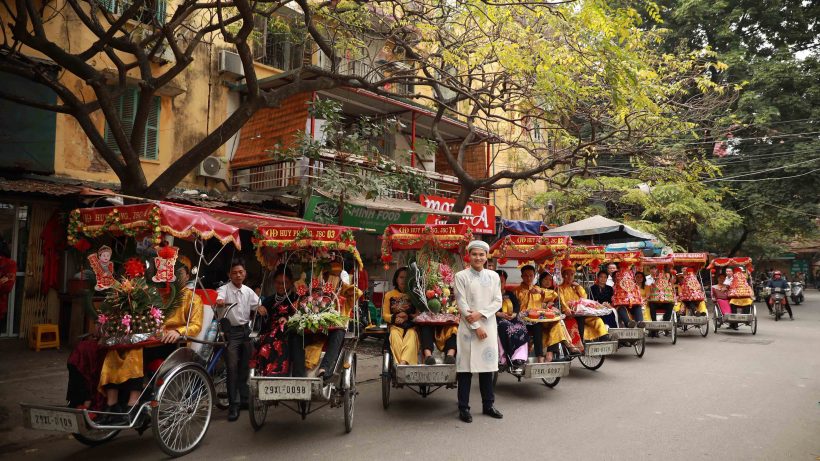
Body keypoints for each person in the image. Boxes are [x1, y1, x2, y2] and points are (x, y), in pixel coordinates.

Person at [97, 265, 204, 424]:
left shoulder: (193, 298)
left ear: (187, 277)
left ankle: (132, 404)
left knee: (135, 352)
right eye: (172, 273)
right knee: (115, 351)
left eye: (179, 274)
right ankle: (112, 404)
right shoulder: (156, 295)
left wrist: (179, 331)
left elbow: (196, 325)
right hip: (149, 339)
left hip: (173, 343)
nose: (174, 277)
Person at [454, 240, 503, 423]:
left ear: (486, 256)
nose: (478, 257)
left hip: (489, 325)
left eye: (481, 254)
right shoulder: (461, 276)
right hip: (468, 328)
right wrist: (476, 325)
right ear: (469, 255)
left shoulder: (493, 277)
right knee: (465, 370)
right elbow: (461, 303)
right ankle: (463, 407)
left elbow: (497, 301)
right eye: (474, 254)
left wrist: (481, 314)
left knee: (487, 369)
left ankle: (488, 405)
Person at [216, 261, 262, 422]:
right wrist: (220, 302)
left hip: (246, 331)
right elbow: (219, 298)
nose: (238, 275)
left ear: (245, 274)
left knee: (246, 366)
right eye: (234, 272)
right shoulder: (224, 289)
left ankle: (243, 399)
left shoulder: (248, 291)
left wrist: (262, 309)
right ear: (230, 274)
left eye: (240, 272)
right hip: (231, 333)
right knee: (232, 368)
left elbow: (259, 305)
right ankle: (233, 406)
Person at [254, 266, 299, 376]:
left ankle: (280, 374)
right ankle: (266, 373)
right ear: (274, 283)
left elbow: (300, 315)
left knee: (280, 342)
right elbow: (263, 321)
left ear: (290, 283)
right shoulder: (269, 300)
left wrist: (288, 319)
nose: (281, 286)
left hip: (289, 331)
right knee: (266, 341)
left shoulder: (296, 298)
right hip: (270, 332)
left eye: (284, 283)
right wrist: (261, 311)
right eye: (278, 283)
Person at [558, 266, 609, 345]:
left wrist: (578, 286)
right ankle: (581, 343)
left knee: (597, 320)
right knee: (580, 319)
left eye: (572, 274)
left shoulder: (575, 287)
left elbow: (584, 297)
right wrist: (567, 309)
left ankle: (604, 338)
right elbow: (561, 301)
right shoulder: (560, 288)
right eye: (566, 275)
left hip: (582, 312)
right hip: (570, 314)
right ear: (563, 275)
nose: (569, 277)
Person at [382, 267, 420, 365]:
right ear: (396, 279)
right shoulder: (389, 295)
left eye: (406, 277)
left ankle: (402, 364)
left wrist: (408, 316)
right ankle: (401, 365)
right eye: (401, 277)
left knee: (411, 336)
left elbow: (419, 315)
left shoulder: (415, 295)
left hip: (411, 326)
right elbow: (385, 315)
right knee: (394, 336)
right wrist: (395, 317)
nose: (404, 280)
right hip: (395, 326)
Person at [495, 270, 528, 370]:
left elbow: (517, 306)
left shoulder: (510, 294)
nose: (500, 283)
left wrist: (514, 314)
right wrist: (498, 313)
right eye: (498, 281)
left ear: (505, 282)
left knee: (522, 326)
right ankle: (505, 357)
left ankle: (519, 357)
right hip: (498, 319)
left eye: (502, 281)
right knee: (505, 326)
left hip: (511, 318)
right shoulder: (490, 295)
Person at [646, 267, 675, 336]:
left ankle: (666, 322)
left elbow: (672, 295)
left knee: (671, 304)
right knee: (651, 304)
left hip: (665, 302)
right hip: (654, 302)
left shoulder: (669, 285)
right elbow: (648, 295)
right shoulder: (652, 284)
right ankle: (654, 324)